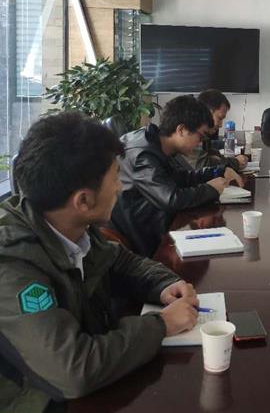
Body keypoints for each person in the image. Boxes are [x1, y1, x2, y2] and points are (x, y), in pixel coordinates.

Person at [0, 112, 199, 412]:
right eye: (116, 177)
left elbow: (121, 261)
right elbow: (73, 370)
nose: (121, 187)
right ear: (83, 200)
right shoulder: (11, 262)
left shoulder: (70, 225)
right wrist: (160, 325)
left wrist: (165, 284)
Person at [111, 95, 243, 257]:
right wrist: (211, 189)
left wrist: (218, 171)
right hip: (140, 243)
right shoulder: (143, 154)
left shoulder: (159, 144)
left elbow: (182, 178)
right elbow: (171, 199)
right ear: (181, 130)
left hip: (155, 227)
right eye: (200, 137)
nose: (200, 143)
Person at [197, 89, 248, 171]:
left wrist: (220, 158)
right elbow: (202, 165)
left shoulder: (203, 135)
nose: (220, 125)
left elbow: (209, 153)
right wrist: (235, 162)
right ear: (207, 113)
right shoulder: (191, 133)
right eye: (220, 118)